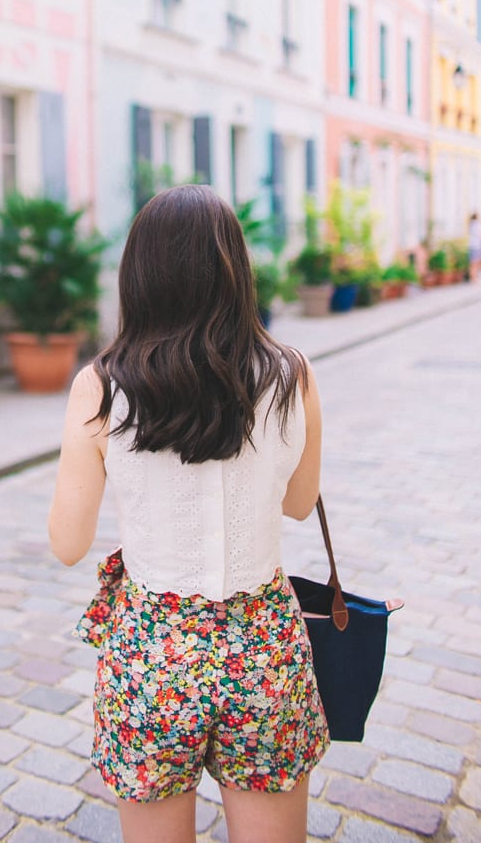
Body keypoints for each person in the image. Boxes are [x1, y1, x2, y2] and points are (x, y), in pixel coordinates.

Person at [48, 184, 329, 843]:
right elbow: (298, 505)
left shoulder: (102, 386)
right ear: (236, 270)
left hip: (151, 653)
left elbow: (67, 543)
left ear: (139, 277)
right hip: (263, 645)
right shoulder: (293, 375)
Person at [467, 212, 481, 282]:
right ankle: (474, 277)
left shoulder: (470, 225)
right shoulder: (478, 225)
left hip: (471, 245)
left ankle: (473, 276)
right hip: (478, 246)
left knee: (472, 262)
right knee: (476, 262)